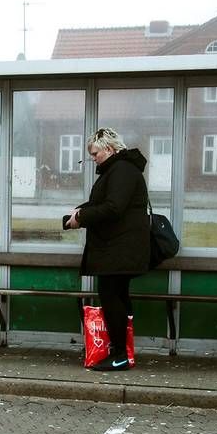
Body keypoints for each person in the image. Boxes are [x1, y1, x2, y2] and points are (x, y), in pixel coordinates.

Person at [65, 128, 150, 371]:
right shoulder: (118, 169)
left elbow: (113, 208)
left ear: (109, 149)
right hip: (119, 248)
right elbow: (104, 204)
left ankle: (120, 354)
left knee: (112, 297)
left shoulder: (121, 170)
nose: (92, 158)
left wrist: (81, 217)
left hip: (120, 249)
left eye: (94, 153)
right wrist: (78, 212)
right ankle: (122, 352)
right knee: (117, 297)